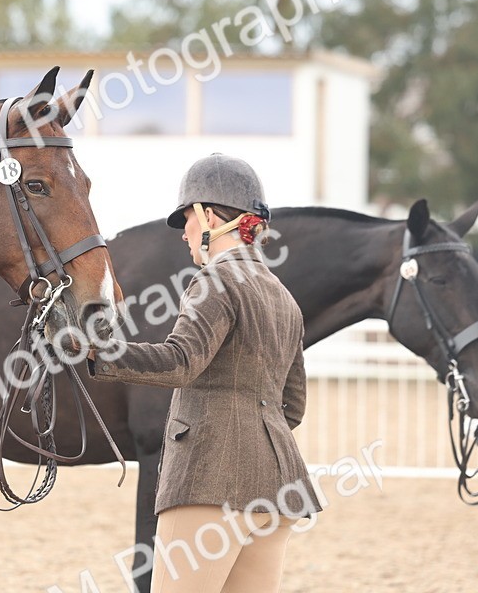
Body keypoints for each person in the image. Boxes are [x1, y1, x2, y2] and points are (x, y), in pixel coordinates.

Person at [57, 153, 319, 593]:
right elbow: (292, 405)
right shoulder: (283, 296)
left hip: (209, 482)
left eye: (186, 220)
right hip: (275, 491)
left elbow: (180, 361)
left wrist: (98, 351)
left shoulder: (214, 280)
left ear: (209, 215)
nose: (183, 234)